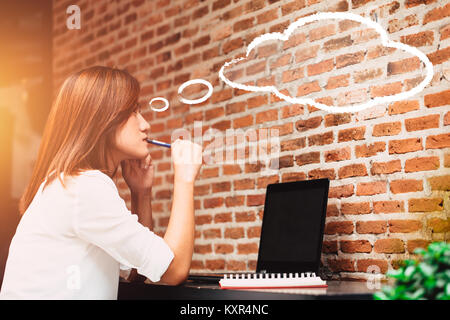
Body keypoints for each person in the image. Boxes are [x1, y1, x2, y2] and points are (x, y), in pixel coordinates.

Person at [0, 66, 203, 299]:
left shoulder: (69, 184)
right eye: (134, 112)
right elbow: (174, 269)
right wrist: (185, 178)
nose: (145, 125)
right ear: (104, 120)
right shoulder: (83, 187)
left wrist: (141, 194)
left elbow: (138, 271)